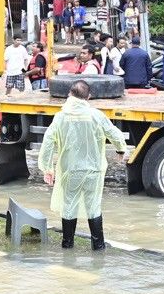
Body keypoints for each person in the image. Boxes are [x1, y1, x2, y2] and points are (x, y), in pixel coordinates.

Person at [38, 79, 130, 250]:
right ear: (89, 96)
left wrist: (47, 168)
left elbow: (48, 142)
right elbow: (114, 133)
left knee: (69, 205)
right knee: (93, 206)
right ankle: (98, 246)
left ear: (69, 94)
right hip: (94, 170)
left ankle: (67, 245)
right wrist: (120, 150)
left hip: (70, 170)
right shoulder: (96, 115)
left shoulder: (60, 117)